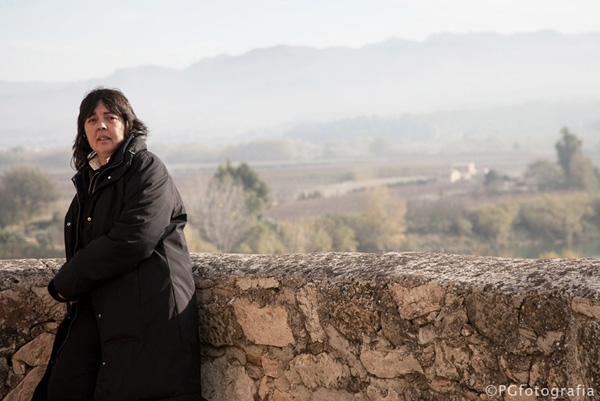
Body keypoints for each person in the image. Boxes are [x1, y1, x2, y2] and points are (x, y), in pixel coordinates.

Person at [32, 87, 201, 401]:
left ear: (127, 124)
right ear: (83, 130)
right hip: (102, 312)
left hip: (149, 318)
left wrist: (67, 282)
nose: (101, 126)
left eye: (110, 117)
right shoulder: (92, 178)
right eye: (92, 120)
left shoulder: (147, 169)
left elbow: (134, 239)